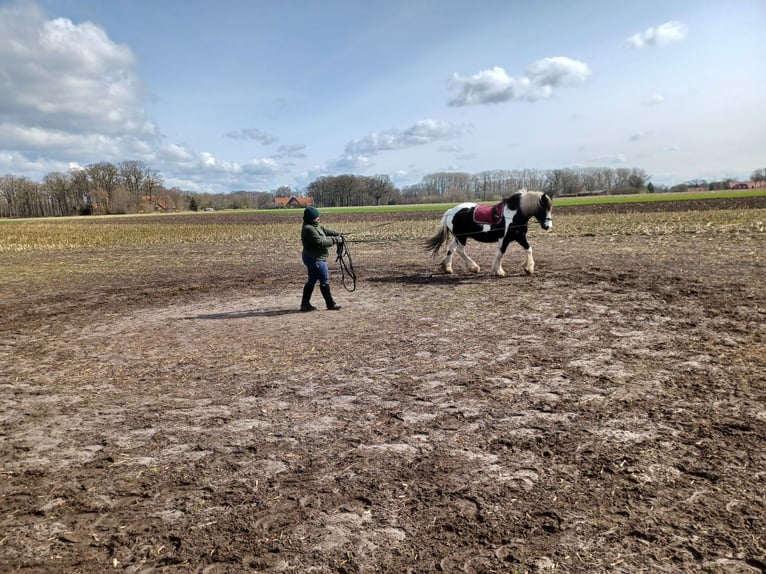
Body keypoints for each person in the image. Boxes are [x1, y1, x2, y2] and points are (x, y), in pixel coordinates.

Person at [300, 206, 342, 311]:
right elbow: (321, 243)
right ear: (311, 218)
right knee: (324, 280)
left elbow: (324, 230)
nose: (319, 218)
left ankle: (305, 304)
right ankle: (330, 304)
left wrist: (338, 233)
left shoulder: (315, 226)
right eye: (316, 217)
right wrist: (336, 240)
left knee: (312, 280)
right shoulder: (308, 229)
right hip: (315, 259)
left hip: (314, 258)